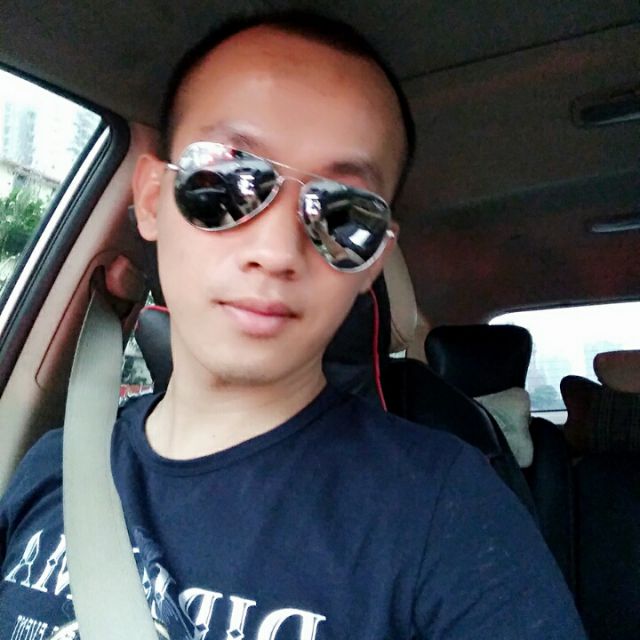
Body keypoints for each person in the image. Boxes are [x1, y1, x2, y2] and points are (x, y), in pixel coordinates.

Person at [0, 11, 586, 640]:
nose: (277, 251)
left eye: (344, 215)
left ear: (373, 263)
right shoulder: (53, 467)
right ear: (150, 200)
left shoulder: (451, 515)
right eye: (229, 179)